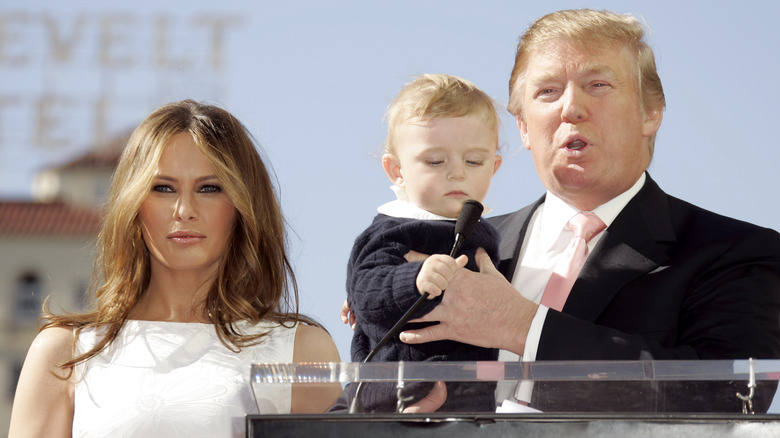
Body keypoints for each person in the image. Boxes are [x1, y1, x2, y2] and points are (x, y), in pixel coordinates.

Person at [344, 9, 780, 412]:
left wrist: (523, 326)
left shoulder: (737, 252)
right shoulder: (452, 245)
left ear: (651, 113)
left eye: (598, 85)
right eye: (548, 91)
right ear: (523, 127)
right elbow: (365, 386)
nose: (571, 108)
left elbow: (730, 396)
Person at [9, 100, 342, 438]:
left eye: (209, 188)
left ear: (244, 205)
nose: (184, 210)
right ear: (134, 204)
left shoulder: (302, 350)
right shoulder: (63, 354)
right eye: (163, 188)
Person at [345, 74, 503, 412]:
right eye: (435, 161)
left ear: (495, 166)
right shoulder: (393, 229)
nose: (457, 173)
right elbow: (367, 292)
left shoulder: (484, 231)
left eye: (474, 161)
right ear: (396, 170)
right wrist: (413, 279)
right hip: (400, 393)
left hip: (471, 399)